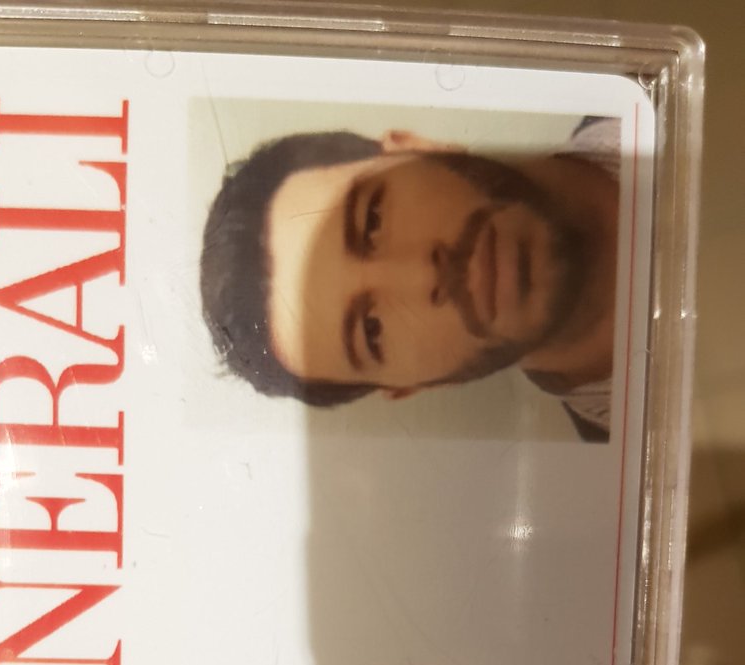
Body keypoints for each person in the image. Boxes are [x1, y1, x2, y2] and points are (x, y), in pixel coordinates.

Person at [200, 120, 620, 441]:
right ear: (409, 386)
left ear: (415, 147)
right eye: (372, 330)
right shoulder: (625, 498)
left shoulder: (639, 79)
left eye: (373, 220)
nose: (424, 274)